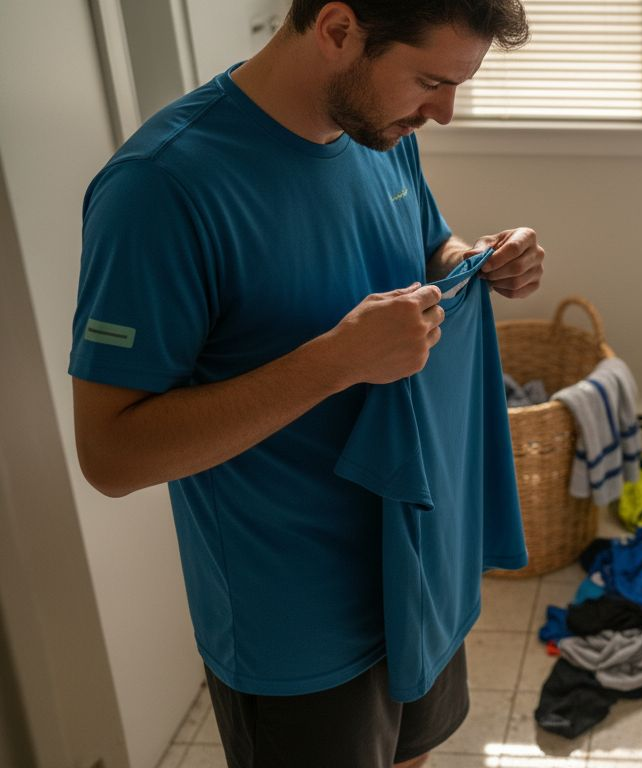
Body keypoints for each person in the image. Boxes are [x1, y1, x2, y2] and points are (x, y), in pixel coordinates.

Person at [68, 2, 542, 766]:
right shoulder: (158, 189)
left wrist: (470, 261)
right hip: (292, 622)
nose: (444, 113)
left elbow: (425, 245)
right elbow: (111, 455)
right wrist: (336, 361)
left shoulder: (380, 132)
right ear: (336, 29)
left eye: (458, 84)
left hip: (418, 568)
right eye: (428, 80)